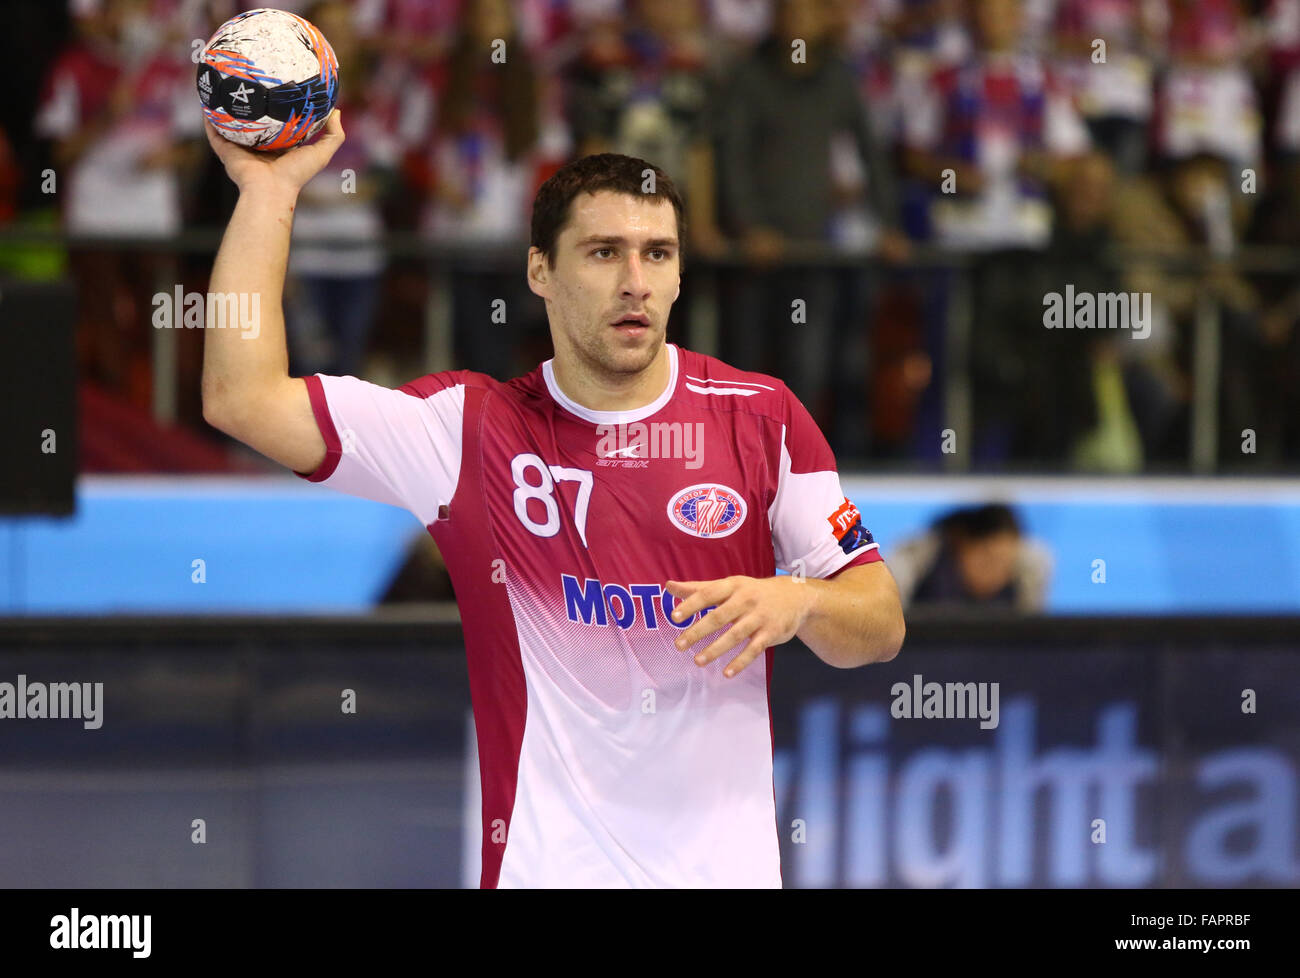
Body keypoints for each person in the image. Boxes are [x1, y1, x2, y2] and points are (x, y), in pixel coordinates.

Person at [199, 121, 906, 888]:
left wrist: (796, 601)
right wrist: (268, 190)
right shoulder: (470, 431)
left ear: (677, 277)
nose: (635, 280)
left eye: (657, 255)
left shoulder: (761, 419)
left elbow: (879, 624)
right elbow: (243, 398)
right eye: (604, 253)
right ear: (540, 271)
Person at [887, 503, 1053, 612]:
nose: (996, 575)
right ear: (961, 544)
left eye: (1006, 566)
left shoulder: (1028, 569)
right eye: (988, 559)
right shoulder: (916, 562)